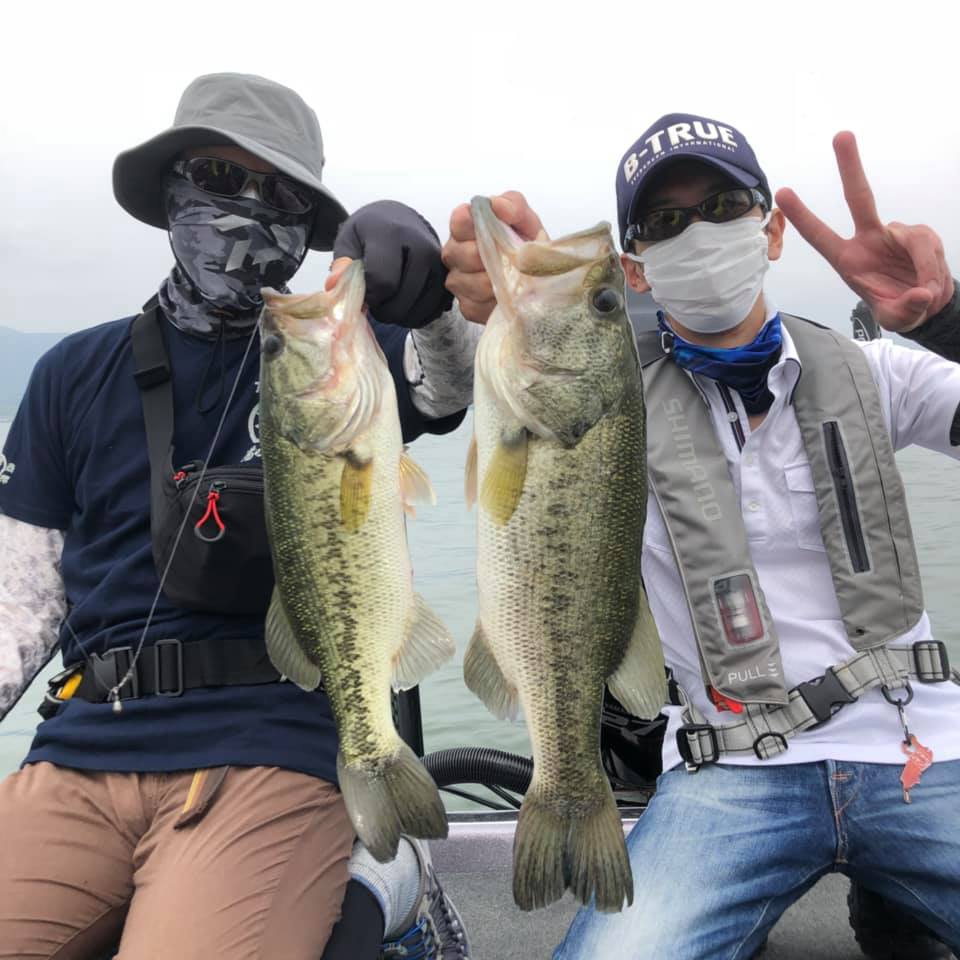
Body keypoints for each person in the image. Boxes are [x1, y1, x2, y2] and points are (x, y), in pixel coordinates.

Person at [441, 114, 960, 958]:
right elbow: (485, 368)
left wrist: (945, 322)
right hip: (730, 770)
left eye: (722, 205)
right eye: (665, 221)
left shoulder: (877, 372)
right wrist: (476, 289)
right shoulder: (609, 403)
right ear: (635, 266)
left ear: (772, 230)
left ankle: (892, 894)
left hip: (922, 750)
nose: (699, 231)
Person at [0, 72, 475, 959]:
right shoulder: (70, 373)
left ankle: (382, 872)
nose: (248, 210)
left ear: (308, 227)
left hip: (270, 742)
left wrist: (433, 304)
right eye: (219, 178)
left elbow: (445, 386)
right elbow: (19, 605)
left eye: (280, 195)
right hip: (80, 751)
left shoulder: (339, 355)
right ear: (170, 193)